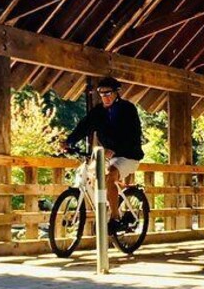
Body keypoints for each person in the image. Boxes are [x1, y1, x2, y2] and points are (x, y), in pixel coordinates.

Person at [61, 76, 144, 233]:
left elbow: (133, 134)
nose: (105, 97)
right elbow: (84, 126)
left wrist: (116, 148)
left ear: (116, 93)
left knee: (109, 177)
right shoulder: (98, 112)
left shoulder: (128, 109)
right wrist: (69, 142)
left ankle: (115, 218)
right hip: (107, 155)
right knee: (90, 173)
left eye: (108, 93)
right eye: (101, 94)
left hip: (128, 154)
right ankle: (107, 201)